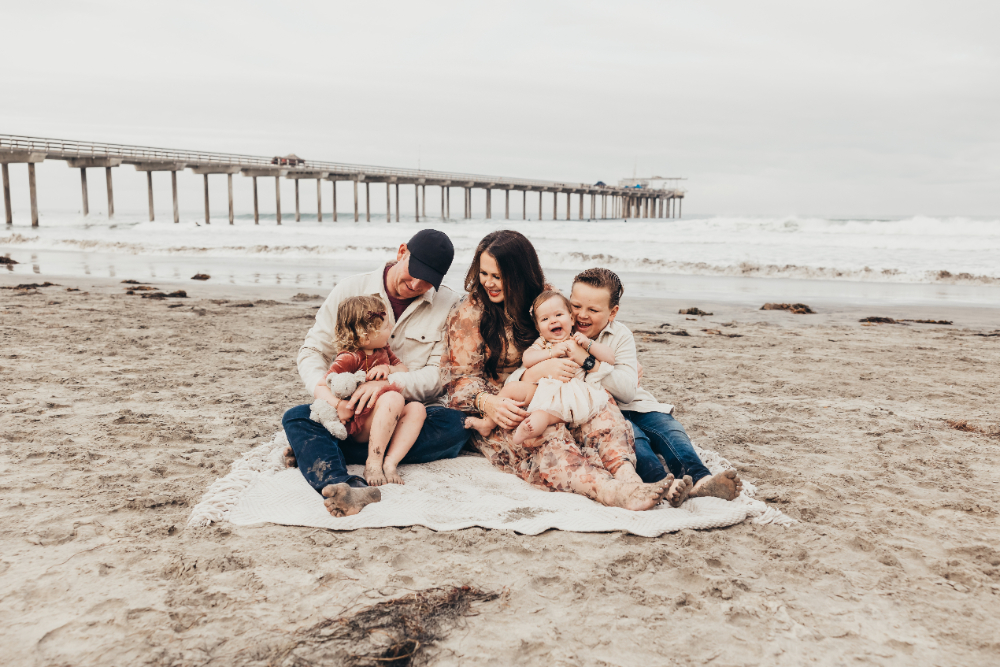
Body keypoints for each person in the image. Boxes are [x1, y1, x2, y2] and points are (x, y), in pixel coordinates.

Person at [441, 230, 674, 511]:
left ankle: (629, 478)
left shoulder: (544, 298)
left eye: (498, 276)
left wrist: (610, 365)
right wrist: (489, 403)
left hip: (563, 389)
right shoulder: (468, 315)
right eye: (484, 273)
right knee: (546, 438)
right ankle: (610, 491)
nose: (488, 283)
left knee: (603, 412)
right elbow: (458, 381)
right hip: (509, 401)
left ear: (519, 273)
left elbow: (581, 330)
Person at [282, 229, 470, 518]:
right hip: (349, 415)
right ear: (401, 252)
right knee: (295, 417)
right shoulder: (350, 289)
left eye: (428, 281)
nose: (417, 283)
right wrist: (333, 401)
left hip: (405, 416)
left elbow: (439, 375)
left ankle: (323, 451)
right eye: (414, 272)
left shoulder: (449, 305)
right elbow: (312, 352)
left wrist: (388, 384)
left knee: (457, 425)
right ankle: (340, 484)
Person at [568, 267, 743, 501]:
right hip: (602, 414)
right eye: (576, 306)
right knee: (635, 441)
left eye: (593, 309)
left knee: (670, 430)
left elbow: (628, 390)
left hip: (636, 405)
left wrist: (590, 362)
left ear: (613, 312)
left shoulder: (621, 335)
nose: (582, 315)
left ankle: (701, 480)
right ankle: (664, 485)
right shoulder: (561, 333)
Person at [466, 291, 618, 451]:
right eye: (545, 319)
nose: (553, 321)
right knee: (510, 388)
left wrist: (588, 344)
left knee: (542, 415)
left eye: (558, 315)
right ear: (539, 329)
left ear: (572, 319)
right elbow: (527, 358)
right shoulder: (543, 343)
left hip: (569, 393)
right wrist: (551, 353)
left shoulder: (578, 339)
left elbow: (610, 358)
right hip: (540, 389)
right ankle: (487, 424)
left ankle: (527, 430)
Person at [315, 294, 426, 487]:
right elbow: (321, 386)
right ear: (366, 336)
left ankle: (390, 463)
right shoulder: (348, 358)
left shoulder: (383, 350)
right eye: (385, 327)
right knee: (393, 397)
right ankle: (373, 462)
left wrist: (388, 369)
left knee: (417, 408)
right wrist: (339, 405)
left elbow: (403, 369)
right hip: (359, 421)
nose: (391, 329)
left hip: (384, 417)